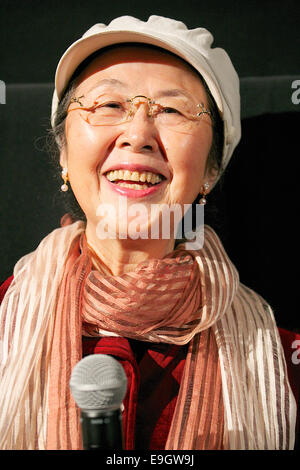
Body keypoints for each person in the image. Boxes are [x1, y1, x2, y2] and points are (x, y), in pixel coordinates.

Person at [0, 15, 298, 450]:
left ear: (212, 169)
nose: (138, 134)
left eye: (173, 110)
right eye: (108, 105)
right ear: (63, 151)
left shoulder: (281, 362)